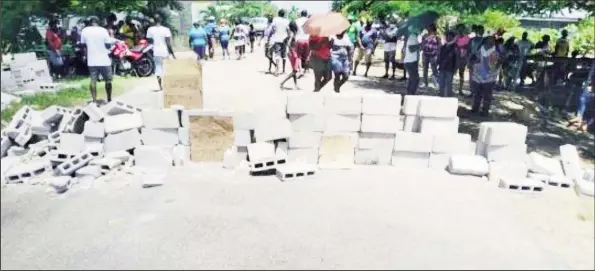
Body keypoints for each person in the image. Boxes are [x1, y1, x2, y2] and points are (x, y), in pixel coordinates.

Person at [80, 16, 114, 104]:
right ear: (98, 22)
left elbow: (83, 45)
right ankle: (109, 99)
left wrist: (85, 55)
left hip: (92, 60)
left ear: (90, 22)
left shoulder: (85, 31)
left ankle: (94, 100)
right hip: (104, 60)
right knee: (108, 80)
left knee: (93, 80)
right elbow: (108, 46)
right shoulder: (103, 30)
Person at [469, 35, 500, 117]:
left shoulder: (496, 52)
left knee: (487, 95)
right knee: (477, 93)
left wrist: (496, 67)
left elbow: (499, 62)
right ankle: (475, 108)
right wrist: (472, 63)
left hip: (490, 76)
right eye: (489, 40)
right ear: (485, 41)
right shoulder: (479, 50)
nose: (491, 41)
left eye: (492, 40)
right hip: (478, 75)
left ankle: (485, 110)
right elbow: (472, 59)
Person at [146, 14, 175, 91]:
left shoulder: (150, 29)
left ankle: (160, 86)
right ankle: (167, 85)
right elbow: (168, 43)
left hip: (156, 51)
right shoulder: (166, 29)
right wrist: (172, 53)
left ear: (154, 21)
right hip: (164, 51)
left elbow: (149, 41)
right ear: (161, 20)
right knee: (167, 68)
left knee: (158, 68)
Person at [280, 21, 301, 90]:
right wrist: (291, 50)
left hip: (292, 53)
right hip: (294, 53)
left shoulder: (291, 33)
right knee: (295, 71)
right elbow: (288, 43)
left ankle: (296, 85)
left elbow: (285, 41)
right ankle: (282, 82)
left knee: (294, 70)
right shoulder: (292, 34)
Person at [437, 31, 459, 97]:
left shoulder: (455, 47)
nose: (448, 37)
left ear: (453, 37)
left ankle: (449, 97)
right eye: (447, 36)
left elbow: (457, 59)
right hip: (442, 67)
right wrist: (438, 63)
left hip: (450, 68)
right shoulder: (443, 47)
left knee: (449, 83)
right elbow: (440, 56)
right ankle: (441, 96)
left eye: (450, 36)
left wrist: (455, 68)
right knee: (441, 83)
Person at [269, 9, 291, 75]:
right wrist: (288, 37)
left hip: (277, 39)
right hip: (284, 39)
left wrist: (273, 34)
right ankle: (283, 70)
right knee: (284, 55)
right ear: (284, 14)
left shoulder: (275, 19)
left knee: (277, 54)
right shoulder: (287, 21)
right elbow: (288, 30)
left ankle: (277, 69)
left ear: (278, 13)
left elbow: (273, 28)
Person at [421, 24, 440, 88]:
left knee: (434, 69)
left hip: (433, 55)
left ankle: (436, 83)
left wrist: (438, 54)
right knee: (425, 69)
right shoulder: (425, 36)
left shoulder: (437, 37)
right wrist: (424, 40)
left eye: (431, 28)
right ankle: (425, 82)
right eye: (429, 28)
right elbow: (422, 45)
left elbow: (439, 46)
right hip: (425, 54)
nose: (429, 29)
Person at [404, 26, 421, 95]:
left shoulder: (413, 37)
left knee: (412, 79)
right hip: (411, 61)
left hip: (411, 61)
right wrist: (419, 45)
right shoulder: (413, 37)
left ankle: (409, 94)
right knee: (415, 79)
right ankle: (411, 94)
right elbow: (411, 49)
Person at [455, 24, 470, 95]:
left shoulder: (467, 37)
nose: (460, 30)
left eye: (462, 28)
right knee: (452, 73)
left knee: (461, 73)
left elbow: (467, 46)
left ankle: (460, 90)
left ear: (464, 29)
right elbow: (453, 45)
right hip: (455, 57)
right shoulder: (455, 37)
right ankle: (450, 88)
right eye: (459, 29)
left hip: (463, 58)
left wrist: (459, 46)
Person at [294, 10, 310, 75]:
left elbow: (295, 30)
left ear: (301, 14)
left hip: (299, 39)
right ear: (306, 14)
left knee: (299, 56)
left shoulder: (296, 20)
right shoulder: (309, 20)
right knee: (306, 56)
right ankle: (306, 70)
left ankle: (300, 70)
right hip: (307, 39)